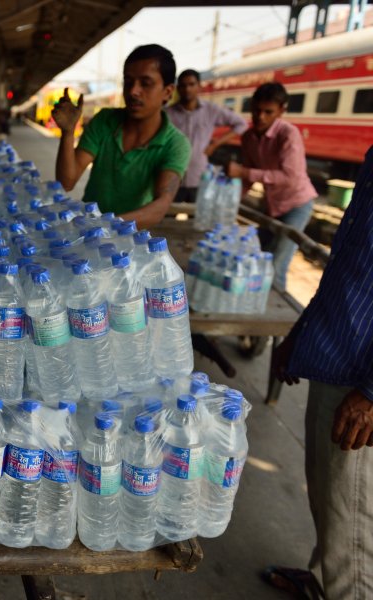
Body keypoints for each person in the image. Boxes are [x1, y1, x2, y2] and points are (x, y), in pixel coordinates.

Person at [268, 145, 373, 600]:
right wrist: (302, 332)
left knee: (351, 520)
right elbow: (347, 263)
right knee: (330, 497)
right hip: (337, 349)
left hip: (361, 377)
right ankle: (323, 580)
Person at [53, 44, 191, 230]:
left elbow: (161, 206)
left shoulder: (176, 144)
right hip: (89, 231)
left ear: (167, 92)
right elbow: (66, 183)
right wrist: (68, 133)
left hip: (130, 241)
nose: (133, 91)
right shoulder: (104, 121)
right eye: (128, 81)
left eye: (145, 83)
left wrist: (107, 226)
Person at [227, 82, 316, 289]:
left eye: (269, 112)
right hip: (271, 204)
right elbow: (248, 177)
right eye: (257, 110)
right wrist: (231, 202)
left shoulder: (288, 134)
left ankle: (273, 316)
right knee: (258, 253)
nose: (261, 117)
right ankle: (254, 301)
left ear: (282, 110)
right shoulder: (249, 137)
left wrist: (243, 172)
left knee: (277, 264)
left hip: (297, 204)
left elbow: (290, 176)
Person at [165, 69, 248, 202]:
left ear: (199, 86)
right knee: (169, 217)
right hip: (173, 178)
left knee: (197, 218)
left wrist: (215, 144)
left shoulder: (211, 110)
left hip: (199, 177)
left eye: (192, 84)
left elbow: (241, 124)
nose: (187, 89)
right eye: (183, 85)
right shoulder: (167, 114)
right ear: (177, 88)